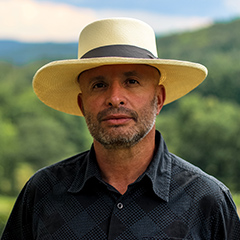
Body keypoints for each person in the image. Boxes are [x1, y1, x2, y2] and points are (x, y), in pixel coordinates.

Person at [1, 18, 240, 240]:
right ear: (82, 104)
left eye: (132, 82)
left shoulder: (207, 201)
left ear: (159, 99)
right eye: (99, 84)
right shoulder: (42, 192)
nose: (115, 98)